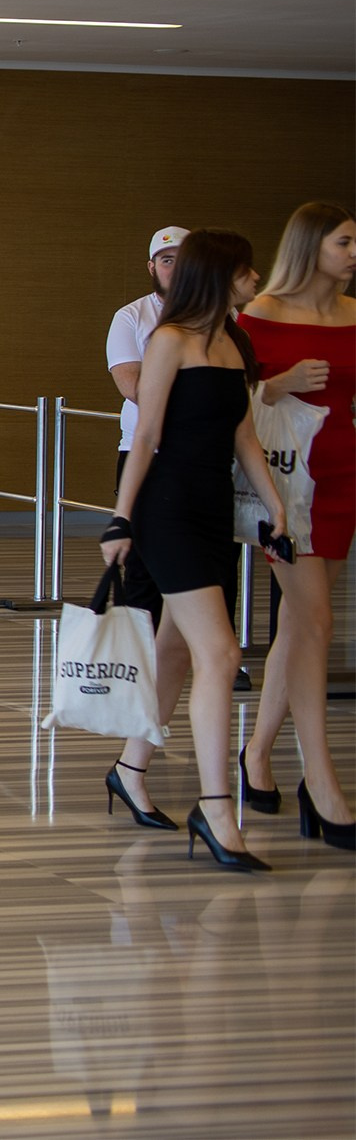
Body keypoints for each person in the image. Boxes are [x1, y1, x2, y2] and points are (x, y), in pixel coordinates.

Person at [103, 230, 294, 871]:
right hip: (166, 508)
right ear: (223, 274)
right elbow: (148, 432)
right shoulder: (168, 339)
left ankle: (130, 769)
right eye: (247, 269)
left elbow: (242, 432)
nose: (255, 277)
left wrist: (276, 505)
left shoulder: (232, 342)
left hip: (212, 510)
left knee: (177, 649)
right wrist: (121, 517)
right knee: (222, 652)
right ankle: (216, 809)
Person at [240, 200, 356, 847]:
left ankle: (257, 755)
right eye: (344, 241)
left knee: (298, 622)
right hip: (286, 485)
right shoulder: (260, 316)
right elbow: (235, 398)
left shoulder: (352, 312)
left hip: (343, 475)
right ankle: (322, 781)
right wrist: (280, 383)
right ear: (311, 246)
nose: (353, 252)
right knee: (316, 621)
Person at [107, 226, 186, 478]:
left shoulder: (223, 316)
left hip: (205, 449)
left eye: (183, 260)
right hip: (145, 451)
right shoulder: (130, 317)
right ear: (151, 267)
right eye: (167, 260)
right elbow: (132, 386)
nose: (175, 269)